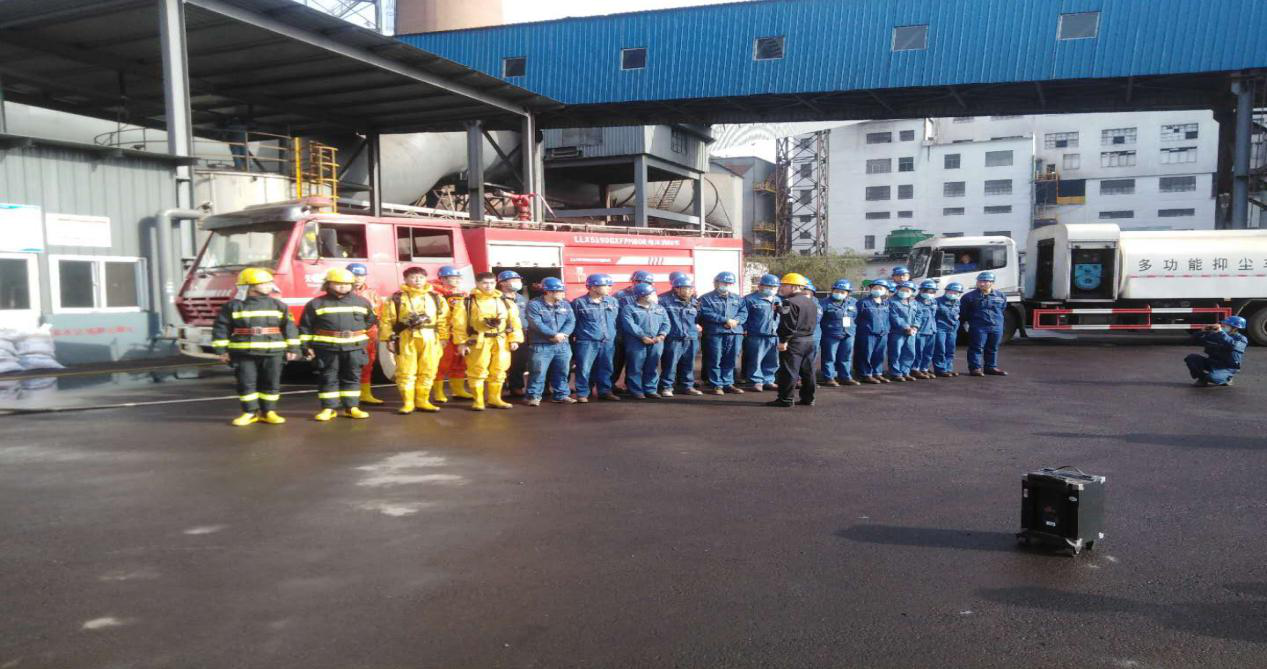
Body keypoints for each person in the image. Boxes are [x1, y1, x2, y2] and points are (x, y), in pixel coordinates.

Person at [211, 268, 299, 426]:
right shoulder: (233, 306)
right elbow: (221, 328)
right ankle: (249, 412)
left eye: (269, 283)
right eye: (263, 283)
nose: (268, 286)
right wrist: (221, 351)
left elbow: (290, 328)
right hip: (244, 353)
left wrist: (293, 348)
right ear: (248, 286)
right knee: (246, 383)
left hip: (273, 352)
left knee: (271, 382)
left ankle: (268, 412)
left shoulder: (279, 305)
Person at [300, 268, 378, 421]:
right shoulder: (316, 304)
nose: (343, 286)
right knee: (328, 377)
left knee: (353, 377)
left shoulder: (362, 302)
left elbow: (370, 320)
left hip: (354, 348)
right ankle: (329, 408)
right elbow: (305, 327)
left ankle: (352, 407)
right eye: (338, 283)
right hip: (327, 349)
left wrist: (354, 332)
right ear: (328, 284)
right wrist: (306, 346)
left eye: (347, 283)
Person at [379, 266, 448, 414]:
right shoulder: (396, 298)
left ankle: (423, 400)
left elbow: (443, 319)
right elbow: (386, 320)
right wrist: (388, 339)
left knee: (428, 369)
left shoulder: (436, 297)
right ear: (405, 279)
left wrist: (443, 337)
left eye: (421, 277)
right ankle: (408, 403)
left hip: (430, 336)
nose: (417, 280)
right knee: (405, 370)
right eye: (413, 277)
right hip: (405, 337)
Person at [451, 272, 524, 411]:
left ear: (495, 283)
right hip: (478, 340)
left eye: (491, 283)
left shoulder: (505, 302)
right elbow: (459, 325)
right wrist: (461, 343)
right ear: (477, 284)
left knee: (500, 369)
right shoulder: (466, 302)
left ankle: (495, 398)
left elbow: (514, 322)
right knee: (477, 370)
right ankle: (478, 400)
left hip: (501, 340)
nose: (488, 286)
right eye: (485, 283)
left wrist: (514, 339)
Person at [766, 273, 818, 408]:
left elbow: (788, 324)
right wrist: (780, 310)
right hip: (809, 340)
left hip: (794, 342)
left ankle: (786, 399)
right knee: (808, 371)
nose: (781, 288)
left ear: (794, 287)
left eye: (785, 285)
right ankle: (808, 398)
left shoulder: (789, 302)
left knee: (789, 371)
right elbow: (800, 317)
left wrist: (783, 341)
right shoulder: (811, 301)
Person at [523, 277, 576, 406]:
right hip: (541, 345)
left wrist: (563, 334)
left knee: (562, 371)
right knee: (538, 371)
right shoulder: (534, 305)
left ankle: (561, 395)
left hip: (562, 344)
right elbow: (536, 323)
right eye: (560, 291)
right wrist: (553, 335)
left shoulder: (565, 304)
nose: (563, 294)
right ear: (549, 292)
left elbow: (571, 321)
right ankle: (533, 396)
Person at [571, 273, 621, 402]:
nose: (609, 288)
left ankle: (604, 391)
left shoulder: (612, 301)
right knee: (584, 368)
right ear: (593, 287)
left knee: (606, 367)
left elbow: (615, 320)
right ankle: (583, 393)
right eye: (606, 285)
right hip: (587, 342)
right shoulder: (579, 303)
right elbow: (573, 322)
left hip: (607, 341)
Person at [698, 271, 748, 394]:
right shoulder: (705, 298)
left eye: (729, 283)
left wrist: (736, 321)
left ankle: (728, 383)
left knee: (731, 359)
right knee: (714, 359)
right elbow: (706, 313)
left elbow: (743, 313)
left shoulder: (737, 298)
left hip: (734, 332)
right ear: (716, 283)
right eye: (724, 283)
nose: (727, 285)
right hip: (715, 333)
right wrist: (725, 320)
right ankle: (717, 385)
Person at [619, 283, 670, 399]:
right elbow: (629, 325)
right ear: (642, 295)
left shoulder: (659, 308)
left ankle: (650, 389)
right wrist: (642, 336)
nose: (655, 296)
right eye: (652, 293)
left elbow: (666, 323)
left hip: (656, 341)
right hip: (636, 342)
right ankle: (636, 391)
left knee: (653, 366)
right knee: (635, 367)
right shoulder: (629, 309)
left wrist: (661, 335)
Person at [434, 265, 474, 402]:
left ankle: (458, 390)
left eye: (458, 277)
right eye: (453, 277)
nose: (457, 280)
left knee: (460, 362)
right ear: (443, 279)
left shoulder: (464, 294)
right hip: (444, 334)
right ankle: (438, 392)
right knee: (442, 362)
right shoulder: (435, 295)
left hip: (461, 333)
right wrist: (442, 335)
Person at [347, 262, 385, 405]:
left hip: (368, 336)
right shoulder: (340, 292)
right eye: (355, 275)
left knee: (367, 365)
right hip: (346, 336)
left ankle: (365, 394)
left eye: (361, 276)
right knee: (346, 367)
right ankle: (346, 397)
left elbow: (379, 314)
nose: (358, 279)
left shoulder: (372, 294)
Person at [659, 275, 703, 397]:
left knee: (689, 364)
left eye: (690, 288)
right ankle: (667, 387)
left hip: (691, 337)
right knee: (670, 364)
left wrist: (697, 326)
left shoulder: (695, 302)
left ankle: (687, 386)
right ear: (676, 289)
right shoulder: (664, 301)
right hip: (673, 338)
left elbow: (699, 318)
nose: (689, 291)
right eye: (686, 288)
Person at [613, 270, 656, 392]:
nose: (647, 285)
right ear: (634, 281)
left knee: (636, 363)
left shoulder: (652, 294)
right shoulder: (620, 295)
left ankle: (632, 386)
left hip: (643, 334)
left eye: (649, 283)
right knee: (618, 361)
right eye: (644, 282)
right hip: (623, 333)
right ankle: (611, 385)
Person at [960, 271, 1010, 377]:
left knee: (993, 347)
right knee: (976, 347)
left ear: (992, 283)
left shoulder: (1000, 296)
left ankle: (990, 367)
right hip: (979, 326)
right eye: (980, 281)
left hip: (996, 326)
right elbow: (964, 313)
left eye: (985, 281)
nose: (982, 283)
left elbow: (1002, 308)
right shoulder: (969, 297)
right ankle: (975, 368)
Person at [741, 273, 782, 391]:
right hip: (756, 335)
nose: (772, 289)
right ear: (760, 286)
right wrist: (744, 329)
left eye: (774, 287)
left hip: (773, 335)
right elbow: (743, 316)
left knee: (773, 360)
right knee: (755, 360)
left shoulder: (777, 299)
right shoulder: (749, 299)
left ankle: (769, 380)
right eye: (769, 286)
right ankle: (756, 381)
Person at [1185, 316, 1249, 387]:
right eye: (1224, 324)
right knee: (1192, 358)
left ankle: (1227, 378)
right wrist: (1203, 331)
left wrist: (1221, 332)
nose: (1223, 326)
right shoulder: (1217, 334)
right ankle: (1202, 378)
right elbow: (1193, 340)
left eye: (1226, 325)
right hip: (1213, 362)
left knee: (1213, 378)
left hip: (1228, 367)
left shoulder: (1241, 339)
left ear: (1235, 328)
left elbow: (1232, 345)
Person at [497, 270, 531, 398]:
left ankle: (516, 386)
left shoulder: (522, 299)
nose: (518, 282)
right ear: (502, 283)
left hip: (521, 333)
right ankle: (499, 388)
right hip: (501, 334)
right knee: (499, 361)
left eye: (518, 280)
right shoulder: (496, 298)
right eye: (514, 280)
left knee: (519, 361)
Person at [820, 279, 859, 387]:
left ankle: (845, 377)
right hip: (831, 334)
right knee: (829, 357)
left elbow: (855, 316)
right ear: (832, 291)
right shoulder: (824, 303)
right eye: (837, 291)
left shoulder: (853, 302)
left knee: (846, 357)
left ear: (848, 293)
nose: (839, 293)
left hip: (848, 333)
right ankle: (829, 378)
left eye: (842, 292)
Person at [855, 279, 891, 384]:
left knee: (879, 354)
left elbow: (888, 318)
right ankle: (865, 374)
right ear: (870, 289)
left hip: (882, 333)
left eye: (880, 288)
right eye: (875, 288)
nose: (877, 290)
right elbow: (856, 318)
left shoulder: (886, 303)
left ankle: (877, 373)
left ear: (885, 290)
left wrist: (886, 330)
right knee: (865, 354)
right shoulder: (863, 302)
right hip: (867, 334)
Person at [886, 281, 920, 382]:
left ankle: (905, 372)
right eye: (902, 290)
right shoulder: (891, 301)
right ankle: (895, 373)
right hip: (897, 332)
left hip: (911, 332)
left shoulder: (914, 302)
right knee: (895, 353)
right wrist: (906, 327)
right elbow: (894, 316)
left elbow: (919, 315)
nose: (904, 292)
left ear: (912, 292)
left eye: (907, 290)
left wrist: (915, 326)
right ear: (898, 290)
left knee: (909, 353)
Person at [933, 282, 964, 377]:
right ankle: (940, 369)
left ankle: (948, 369)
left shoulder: (957, 302)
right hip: (940, 328)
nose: (953, 294)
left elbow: (958, 315)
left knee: (950, 349)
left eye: (956, 292)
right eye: (951, 292)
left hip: (952, 329)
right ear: (946, 291)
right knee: (940, 349)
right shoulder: (937, 301)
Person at [911, 280, 940, 379]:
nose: (930, 293)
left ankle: (924, 368)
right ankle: (915, 369)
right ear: (921, 291)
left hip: (932, 330)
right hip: (921, 331)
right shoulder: (915, 302)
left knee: (928, 352)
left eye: (932, 291)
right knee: (918, 351)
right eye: (927, 291)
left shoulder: (933, 301)